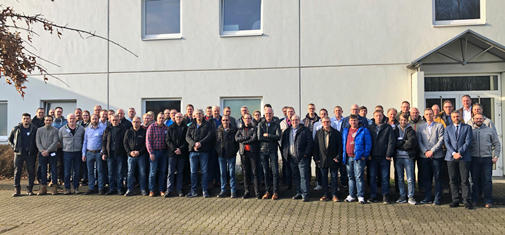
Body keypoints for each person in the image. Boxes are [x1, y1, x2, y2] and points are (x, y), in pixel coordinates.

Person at [470, 114, 500, 208]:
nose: (479, 120)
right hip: (474, 158)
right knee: (474, 180)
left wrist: (496, 156)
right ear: (474, 119)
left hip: (487, 158)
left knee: (487, 181)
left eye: (480, 118)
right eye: (477, 118)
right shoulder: (470, 130)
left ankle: (488, 201)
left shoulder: (490, 130)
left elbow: (497, 144)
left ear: (483, 120)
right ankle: (474, 200)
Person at [444, 110, 473, 209]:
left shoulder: (468, 128)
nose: (456, 118)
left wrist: (459, 153)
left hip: (464, 157)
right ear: (451, 118)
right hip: (451, 157)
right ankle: (455, 200)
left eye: (458, 116)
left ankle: (466, 201)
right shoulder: (447, 128)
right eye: (454, 117)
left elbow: (468, 142)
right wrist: (453, 153)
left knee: (465, 180)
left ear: (461, 117)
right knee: (453, 180)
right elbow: (446, 142)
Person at [281, 115, 313, 202]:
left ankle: (305, 194)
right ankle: (299, 192)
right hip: (291, 157)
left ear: (299, 121)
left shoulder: (305, 130)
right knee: (296, 176)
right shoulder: (287, 131)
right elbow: (284, 144)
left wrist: (306, 154)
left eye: (296, 120)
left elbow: (310, 143)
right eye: (293, 120)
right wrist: (285, 155)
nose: (295, 121)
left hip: (302, 157)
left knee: (304, 176)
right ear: (290, 121)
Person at [417, 108, 445, 205]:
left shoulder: (440, 126)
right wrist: (425, 151)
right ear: (424, 116)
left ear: (433, 115)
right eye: (427, 114)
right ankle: (428, 197)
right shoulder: (421, 127)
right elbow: (419, 141)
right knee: (426, 178)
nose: (428, 116)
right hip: (424, 156)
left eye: (430, 114)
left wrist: (432, 151)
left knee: (437, 177)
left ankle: (437, 198)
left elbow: (441, 140)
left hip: (437, 156)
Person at [367, 110, 395, 204]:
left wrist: (388, 154)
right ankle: (373, 195)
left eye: (380, 115)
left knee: (384, 177)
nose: (378, 117)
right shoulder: (369, 128)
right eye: (377, 115)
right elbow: (367, 142)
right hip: (372, 158)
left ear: (383, 116)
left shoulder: (388, 128)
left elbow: (391, 142)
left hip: (384, 157)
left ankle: (385, 195)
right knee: (372, 177)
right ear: (374, 116)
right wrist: (369, 154)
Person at [342, 115, 372, 204]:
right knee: (350, 177)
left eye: (354, 120)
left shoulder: (364, 130)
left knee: (359, 177)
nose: (353, 122)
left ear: (358, 121)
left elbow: (368, 143)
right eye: (351, 120)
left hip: (358, 158)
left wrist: (365, 155)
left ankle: (360, 196)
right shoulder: (346, 130)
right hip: (348, 157)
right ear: (349, 121)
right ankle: (351, 195)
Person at [186, 109, 215, 198]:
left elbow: (210, 135)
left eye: (200, 113)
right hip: (193, 152)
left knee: (204, 172)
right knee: (193, 172)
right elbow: (187, 136)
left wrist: (200, 143)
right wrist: (193, 144)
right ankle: (193, 190)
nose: (198, 115)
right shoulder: (191, 125)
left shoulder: (208, 125)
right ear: (194, 115)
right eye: (197, 114)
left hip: (204, 151)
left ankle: (204, 190)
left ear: (203, 115)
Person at [313, 117, 343, 202]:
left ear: (330, 122)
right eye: (324, 122)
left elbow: (340, 147)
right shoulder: (318, 133)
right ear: (322, 123)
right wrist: (316, 158)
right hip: (322, 159)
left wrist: (338, 157)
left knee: (334, 177)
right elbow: (315, 147)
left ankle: (334, 195)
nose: (326, 123)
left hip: (333, 159)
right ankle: (325, 194)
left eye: (327, 122)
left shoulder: (336, 133)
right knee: (324, 178)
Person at [9, 113, 38, 196]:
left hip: (30, 154)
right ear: (22, 119)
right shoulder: (16, 129)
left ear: (30, 119)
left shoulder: (34, 129)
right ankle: (17, 190)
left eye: (27, 118)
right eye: (24, 118)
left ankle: (30, 190)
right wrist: (14, 147)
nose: (26, 120)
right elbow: (10, 139)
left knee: (31, 172)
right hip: (19, 154)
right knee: (17, 172)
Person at [394, 113, 419, 205]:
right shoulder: (395, 130)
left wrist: (400, 143)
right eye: (401, 120)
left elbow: (411, 143)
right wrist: (403, 142)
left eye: (404, 120)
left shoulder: (411, 131)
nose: (402, 122)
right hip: (398, 157)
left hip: (408, 157)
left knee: (410, 178)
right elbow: (394, 142)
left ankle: (411, 196)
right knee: (400, 178)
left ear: (407, 120)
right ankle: (402, 196)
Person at [257, 108, 282, 199]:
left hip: (273, 150)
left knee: (275, 172)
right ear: (264, 114)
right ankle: (268, 191)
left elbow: (278, 137)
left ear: (273, 114)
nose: (268, 115)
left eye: (270, 113)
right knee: (265, 172)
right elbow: (259, 137)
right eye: (267, 113)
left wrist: (268, 135)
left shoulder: (276, 124)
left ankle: (275, 192)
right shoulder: (260, 124)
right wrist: (272, 138)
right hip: (263, 150)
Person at [59, 113, 85, 195]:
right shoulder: (62, 130)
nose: (72, 120)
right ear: (67, 120)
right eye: (70, 118)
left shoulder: (81, 129)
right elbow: (60, 140)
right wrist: (65, 147)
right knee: (67, 171)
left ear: (76, 119)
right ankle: (67, 188)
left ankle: (76, 188)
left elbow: (83, 139)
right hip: (67, 152)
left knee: (76, 171)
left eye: (73, 118)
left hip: (78, 152)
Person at [236, 113, 260, 199]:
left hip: (252, 152)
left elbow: (254, 139)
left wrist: (243, 140)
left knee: (255, 172)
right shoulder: (240, 129)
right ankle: (247, 191)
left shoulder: (254, 128)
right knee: (246, 173)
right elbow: (236, 139)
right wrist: (247, 138)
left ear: (251, 119)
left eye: (249, 118)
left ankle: (257, 192)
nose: (247, 120)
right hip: (243, 153)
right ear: (243, 119)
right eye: (246, 118)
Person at [215, 115, 239, 198]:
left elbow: (237, 142)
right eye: (224, 120)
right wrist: (218, 150)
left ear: (229, 120)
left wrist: (234, 151)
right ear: (221, 121)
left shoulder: (234, 129)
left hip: (231, 154)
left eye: (226, 120)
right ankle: (223, 190)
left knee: (232, 173)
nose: (225, 121)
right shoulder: (218, 130)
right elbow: (216, 142)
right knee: (223, 173)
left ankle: (233, 190)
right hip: (221, 154)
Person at [102, 114, 127, 195]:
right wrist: (104, 152)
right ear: (110, 120)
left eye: (116, 120)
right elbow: (104, 141)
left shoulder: (123, 128)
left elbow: (125, 142)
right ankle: (112, 188)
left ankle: (119, 188)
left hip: (120, 153)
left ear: (119, 120)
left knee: (119, 172)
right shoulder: (108, 129)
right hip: (110, 153)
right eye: (113, 120)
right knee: (111, 172)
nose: (115, 122)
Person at [165, 113, 188, 197]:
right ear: (174, 118)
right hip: (172, 153)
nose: (178, 118)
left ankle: (179, 189)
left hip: (182, 153)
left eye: (180, 117)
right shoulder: (170, 128)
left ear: (182, 118)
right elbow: (168, 140)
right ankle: (169, 190)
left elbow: (187, 140)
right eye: (177, 117)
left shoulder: (186, 128)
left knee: (180, 172)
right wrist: (174, 149)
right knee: (170, 172)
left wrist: (180, 149)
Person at [82, 114, 106, 195]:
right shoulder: (87, 130)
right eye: (93, 119)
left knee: (100, 171)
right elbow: (85, 142)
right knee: (90, 171)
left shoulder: (102, 129)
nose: (94, 120)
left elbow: (104, 141)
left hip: (98, 153)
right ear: (90, 120)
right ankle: (91, 187)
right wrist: (83, 154)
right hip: (89, 153)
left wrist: (102, 151)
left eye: (96, 119)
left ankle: (100, 188)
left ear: (98, 119)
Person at [124, 116, 148, 196]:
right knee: (130, 173)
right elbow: (125, 143)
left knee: (142, 173)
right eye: (134, 121)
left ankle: (143, 189)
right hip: (130, 156)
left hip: (141, 155)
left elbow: (146, 144)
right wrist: (129, 152)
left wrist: (139, 152)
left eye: (137, 122)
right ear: (132, 122)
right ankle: (129, 189)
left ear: (140, 123)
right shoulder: (128, 132)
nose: (135, 123)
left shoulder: (144, 132)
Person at [146, 113, 169, 197]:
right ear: (157, 118)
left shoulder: (166, 128)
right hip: (154, 152)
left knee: (163, 172)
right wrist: (151, 153)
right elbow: (148, 141)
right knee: (153, 172)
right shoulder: (151, 127)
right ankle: (151, 190)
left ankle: (161, 190)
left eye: (163, 118)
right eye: (160, 118)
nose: (161, 119)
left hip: (164, 152)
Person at [35, 115, 59, 195]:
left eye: (49, 120)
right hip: (42, 153)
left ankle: (54, 187)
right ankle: (44, 188)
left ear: (52, 121)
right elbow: (38, 142)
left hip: (52, 153)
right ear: (44, 121)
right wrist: (42, 151)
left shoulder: (55, 130)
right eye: (46, 120)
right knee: (43, 170)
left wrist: (48, 151)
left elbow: (55, 142)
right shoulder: (39, 130)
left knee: (53, 170)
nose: (48, 122)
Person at [302, 103, 322, 191]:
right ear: (307, 109)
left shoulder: (319, 120)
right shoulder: (303, 120)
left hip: (317, 145)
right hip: (307, 145)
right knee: (307, 164)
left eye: (313, 108)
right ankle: (309, 180)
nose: (311, 110)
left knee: (318, 163)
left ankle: (318, 181)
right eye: (310, 108)